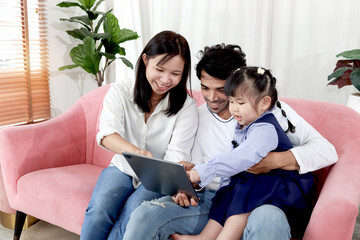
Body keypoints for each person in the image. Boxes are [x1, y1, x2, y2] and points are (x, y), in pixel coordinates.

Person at [123, 44, 338, 240]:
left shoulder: (268, 111)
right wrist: (187, 184)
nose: (212, 97)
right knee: (145, 214)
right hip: (215, 197)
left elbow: (326, 151)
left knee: (267, 219)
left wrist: (276, 161)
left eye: (221, 89)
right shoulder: (196, 116)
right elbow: (198, 168)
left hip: (263, 198)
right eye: (205, 88)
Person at [80, 30, 199, 240]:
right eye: (159, 69)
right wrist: (137, 152)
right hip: (122, 166)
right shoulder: (120, 91)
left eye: (175, 74)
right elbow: (107, 134)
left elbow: (177, 155)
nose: (165, 80)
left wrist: (174, 182)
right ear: (145, 60)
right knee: (98, 210)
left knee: (135, 211)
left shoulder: (187, 107)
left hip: (159, 177)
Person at [173, 66, 314, 240]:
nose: (234, 109)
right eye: (231, 101)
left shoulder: (265, 128)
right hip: (257, 179)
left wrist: (203, 171)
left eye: (240, 103)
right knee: (227, 192)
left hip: (280, 185)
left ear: (264, 103)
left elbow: (243, 156)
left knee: (244, 191)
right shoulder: (245, 125)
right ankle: (204, 237)